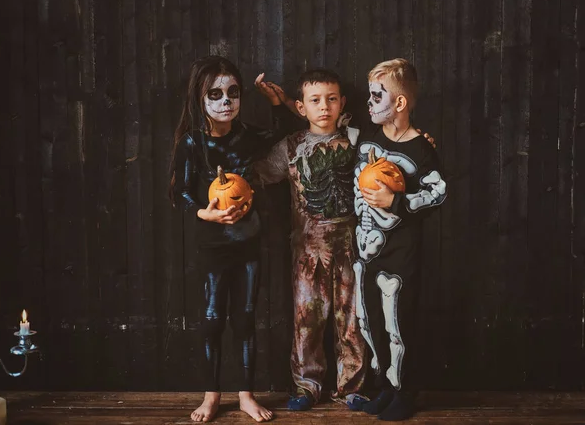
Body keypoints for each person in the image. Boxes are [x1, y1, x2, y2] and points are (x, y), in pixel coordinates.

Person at [168, 56, 298, 423]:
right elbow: (180, 192)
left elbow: (284, 129)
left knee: (244, 318)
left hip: (248, 242)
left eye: (233, 93)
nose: (226, 101)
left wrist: (275, 101)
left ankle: (245, 394)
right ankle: (211, 396)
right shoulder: (193, 143)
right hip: (212, 246)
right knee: (212, 319)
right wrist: (204, 213)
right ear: (199, 98)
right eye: (216, 94)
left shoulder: (247, 137)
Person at [254, 69, 367, 411]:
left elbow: (391, 153)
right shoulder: (291, 146)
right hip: (307, 251)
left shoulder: (357, 140)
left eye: (331, 99)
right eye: (315, 100)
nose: (324, 107)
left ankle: (352, 387)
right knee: (308, 321)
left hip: (352, 248)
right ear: (301, 108)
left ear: (342, 103)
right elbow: (256, 173)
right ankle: (307, 385)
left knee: (354, 322)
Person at [351, 58, 447, 421]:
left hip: (401, 253)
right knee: (369, 319)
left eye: (378, 96)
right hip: (366, 247)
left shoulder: (421, 149)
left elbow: (438, 193)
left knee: (398, 322)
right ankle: (387, 387)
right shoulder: (370, 139)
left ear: (400, 103)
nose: (370, 103)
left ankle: (406, 392)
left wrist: (397, 201)